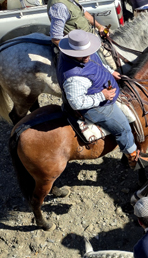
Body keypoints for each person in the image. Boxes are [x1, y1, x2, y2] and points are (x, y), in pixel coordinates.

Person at [56, 30, 139, 168]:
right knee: (123, 128)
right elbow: (76, 103)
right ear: (72, 53)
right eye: (83, 54)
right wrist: (102, 96)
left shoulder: (84, 54)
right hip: (96, 107)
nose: (87, 56)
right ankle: (132, 157)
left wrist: (111, 72)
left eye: (88, 52)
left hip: (100, 89)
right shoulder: (74, 78)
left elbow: (97, 64)